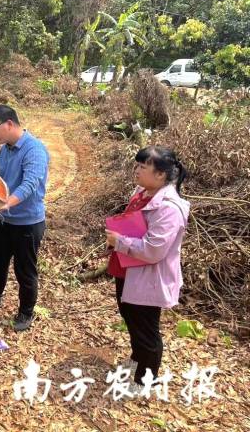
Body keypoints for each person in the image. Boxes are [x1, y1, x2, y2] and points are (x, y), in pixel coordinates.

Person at [105, 146, 189, 393]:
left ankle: (145, 381)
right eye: (137, 165)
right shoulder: (144, 191)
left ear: (161, 175)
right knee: (130, 315)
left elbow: (154, 249)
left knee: (147, 329)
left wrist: (119, 241)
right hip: (129, 268)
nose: (137, 170)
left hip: (148, 276)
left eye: (143, 167)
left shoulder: (170, 208)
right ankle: (137, 358)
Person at [0, 104, 49, 332]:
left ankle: (26, 313)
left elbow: (29, 185)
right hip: (6, 220)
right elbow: (3, 183)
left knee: (25, 270)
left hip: (28, 223)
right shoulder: (5, 150)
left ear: (9, 124)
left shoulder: (34, 150)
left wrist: (4, 204)